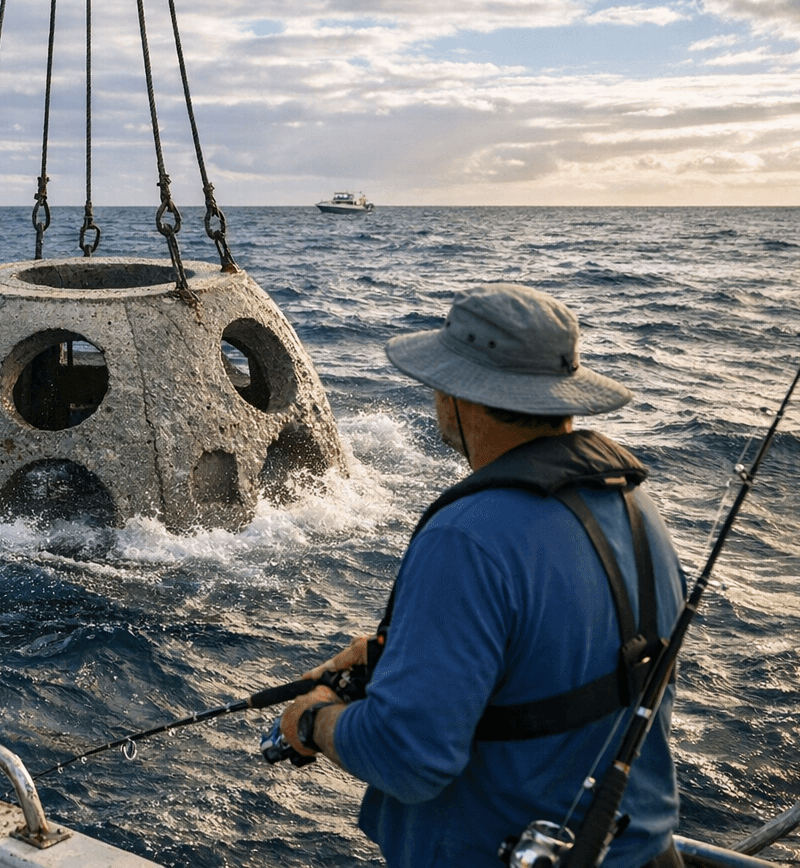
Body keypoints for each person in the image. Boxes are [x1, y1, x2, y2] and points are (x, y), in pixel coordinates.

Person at [278, 284, 686, 868]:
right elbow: (566, 658)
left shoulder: (465, 537)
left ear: (457, 396)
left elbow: (406, 756)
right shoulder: (638, 507)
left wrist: (313, 719)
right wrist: (399, 653)